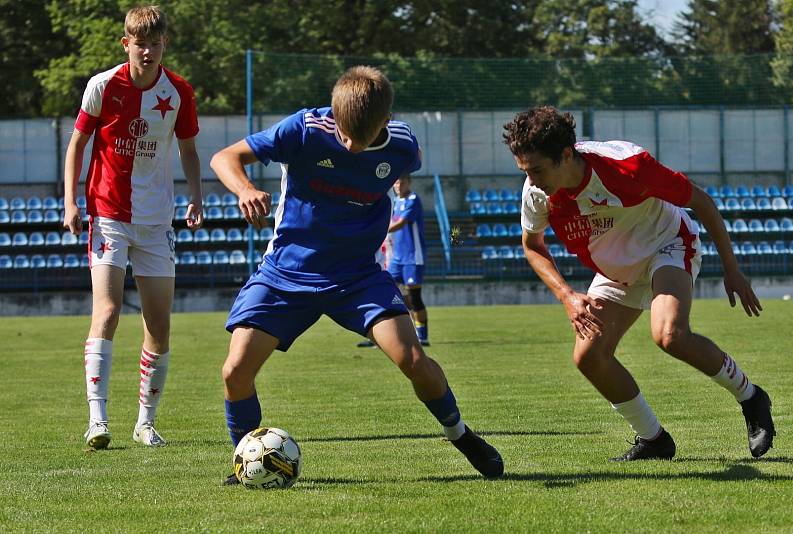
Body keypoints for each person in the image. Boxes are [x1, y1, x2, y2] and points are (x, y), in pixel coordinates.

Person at [210, 66, 503, 484]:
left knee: (413, 359)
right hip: (286, 273)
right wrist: (244, 189)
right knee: (234, 371)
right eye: (342, 133)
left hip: (357, 278)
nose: (347, 143)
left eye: (357, 137)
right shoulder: (304, 128)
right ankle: (244, 463)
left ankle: (461, 435)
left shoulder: (403, 146)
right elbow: (225, 157)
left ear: (385, 121)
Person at [504, 106, 775, 461]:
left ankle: (751, 397)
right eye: (525, 170)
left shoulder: (627, 165)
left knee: (669, 335)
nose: (531, 179)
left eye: (537, 169)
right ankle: (654, 439)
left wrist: (732, 269)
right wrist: (566, 295)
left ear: (566, 155)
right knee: (588, 356)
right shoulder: (536, 191)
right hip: (617, 269)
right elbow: (532, 245)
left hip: (667, 243)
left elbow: (702, 202)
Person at [63, 5, 203, 450]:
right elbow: (78, 144)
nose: (147, 50)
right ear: (126, 44)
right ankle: (97, 420)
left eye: (155, 43)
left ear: (165, 44)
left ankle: (145, 422)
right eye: (139, 43)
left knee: (159, 325)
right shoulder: (102, 86)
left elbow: (188, 151)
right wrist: (70, 202)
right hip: (108, 215)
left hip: (156, 220)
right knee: (106, 312)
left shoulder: (178, 92)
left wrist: (196, 195)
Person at [358, 174, 429, 348]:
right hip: (396, 258)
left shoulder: (413, 199)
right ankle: (381, 336)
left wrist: (373, 229)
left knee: (414, 297)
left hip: (412, 257)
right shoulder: (394, 202)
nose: (399, 185)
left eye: (402, 181)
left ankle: (422, 336)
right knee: (386, 294)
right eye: (396, 182)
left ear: (409, 182)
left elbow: (401, 223)